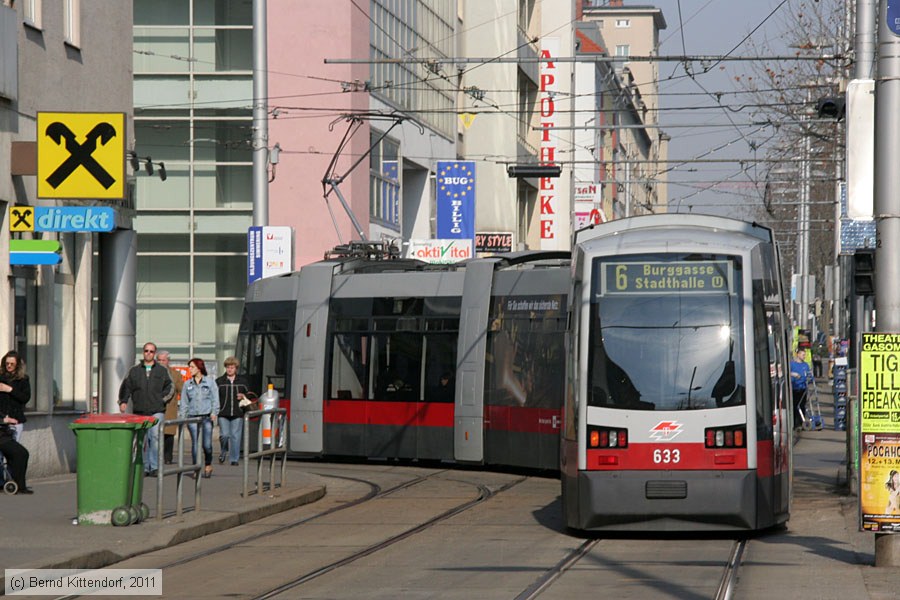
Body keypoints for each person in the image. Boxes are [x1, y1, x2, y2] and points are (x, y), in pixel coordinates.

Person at [119, 342, 173, 477]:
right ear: (143, 353)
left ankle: (154, 466)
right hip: (140, 410)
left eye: (151, 351)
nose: (148, 353)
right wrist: (123, 401)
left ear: (154, 353)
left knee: (154, 437)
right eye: (146, 351)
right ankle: (144, 466)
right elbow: (126, 386)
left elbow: (170, 387)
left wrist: (162, 399)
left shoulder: (162, 370)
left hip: (157, 409)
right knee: (142, 440)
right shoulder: (134, 370)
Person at [179, 358, 219, 478]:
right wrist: (183, 417)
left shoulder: (210, 382)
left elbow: (215, 399)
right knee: (195, 444)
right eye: (189, 367)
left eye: (192, 367)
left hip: (206, 417)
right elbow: (184, 402)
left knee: (206, 444)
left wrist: (214, 412)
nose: (189, 369)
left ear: (199, 368)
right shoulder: (187, 384)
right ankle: (196, 468)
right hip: (192, 417)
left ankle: (208, 464)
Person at [216, 356, 257, 466]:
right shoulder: (219, 381)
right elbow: (214, 397)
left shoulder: (243, 381)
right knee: (224, 435)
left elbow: (250, 395)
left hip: (238, 413)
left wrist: (244, 395)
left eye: (232, 367)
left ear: (236, 368)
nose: (230, 369)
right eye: (228, 367)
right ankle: (224, 451)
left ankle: (234, 459)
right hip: (223, 413)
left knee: (235, 436)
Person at [156, 351, 185, 465]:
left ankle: (168, 457)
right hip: (155, 406)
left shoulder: (175, 374)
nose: (161, 362)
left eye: (163, 360)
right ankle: (156, 457)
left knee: (168, 434)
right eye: (159, 360)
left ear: (168, 361)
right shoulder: (152, 373)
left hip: (169, 407)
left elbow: (182, 390)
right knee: (155, 434)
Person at [0, 351, 31, 442]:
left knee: (12, 450)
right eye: (7, 364)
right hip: (1, 419)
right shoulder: (1, 377)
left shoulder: (23, 379)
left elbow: (25, 398)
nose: (9, 366)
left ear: (17, 365)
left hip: (15, 420)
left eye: (12, 364)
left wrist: (10, 390)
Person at [0, 413, 31, 494]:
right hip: (2, 439)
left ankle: (18, 484)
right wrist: (4, 420)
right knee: (20, 453)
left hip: (4, 436)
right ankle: (19, 485)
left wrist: (6, 419)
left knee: (22, 454)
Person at [790, 348, 812, 430]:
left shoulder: (805, 365)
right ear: (798, 354)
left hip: (803, 388)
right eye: (803, 354)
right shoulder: (792, 364)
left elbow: (809, 375)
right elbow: (787, 373)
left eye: (805, 354)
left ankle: (801, 423)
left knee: (802, 406)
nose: (804, 356)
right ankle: (795, 424)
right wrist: (793, 374)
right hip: (794, 388)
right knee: (795, 406)